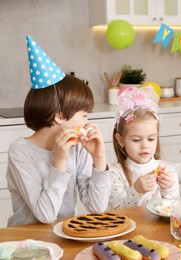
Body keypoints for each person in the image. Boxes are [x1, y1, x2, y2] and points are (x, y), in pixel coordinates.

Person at [6, 35, 111, 227]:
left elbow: (97, 208)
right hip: (25, 240)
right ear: (60, 117)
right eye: (85, 115)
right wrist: (60, 161)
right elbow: (45, 215)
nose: (87, 121)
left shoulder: (78, 148)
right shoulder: (20, 151)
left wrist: (99, 160)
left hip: (64, 235)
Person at [107, 86, 180, 209]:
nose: (145, 145)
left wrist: (169, 189)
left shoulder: (168, 169)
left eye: (151, 139)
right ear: (120, 140)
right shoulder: (114, 174)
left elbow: (175, 209)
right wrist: (136, 191)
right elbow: (118, 213)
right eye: (136, 140)